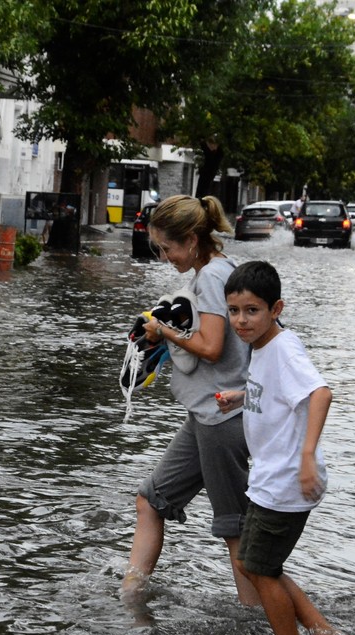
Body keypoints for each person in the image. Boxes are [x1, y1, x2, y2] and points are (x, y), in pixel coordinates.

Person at [121, 194, 260, 610]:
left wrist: (164, 332)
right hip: (205, 415)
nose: (164, 257)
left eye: (168, 248)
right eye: (158, 249)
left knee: (235, 530)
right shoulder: (215, 272)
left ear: (193, 240)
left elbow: (213, 347)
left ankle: (260, 624)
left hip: (223, 418)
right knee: (151, 500)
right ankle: (130, 599)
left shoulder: (214, 277)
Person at [216, 260, 349, 635]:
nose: (241, 321)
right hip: (271, 478)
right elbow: (281, 390)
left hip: (286, 479)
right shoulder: (263, 345)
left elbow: (320, 394)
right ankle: (322, 631)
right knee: (258, 563)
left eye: (252, 311)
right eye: (234, 311)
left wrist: (307, 456)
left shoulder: (283, 348)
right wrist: (244, 396)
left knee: (256, 566)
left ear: (276, 310)